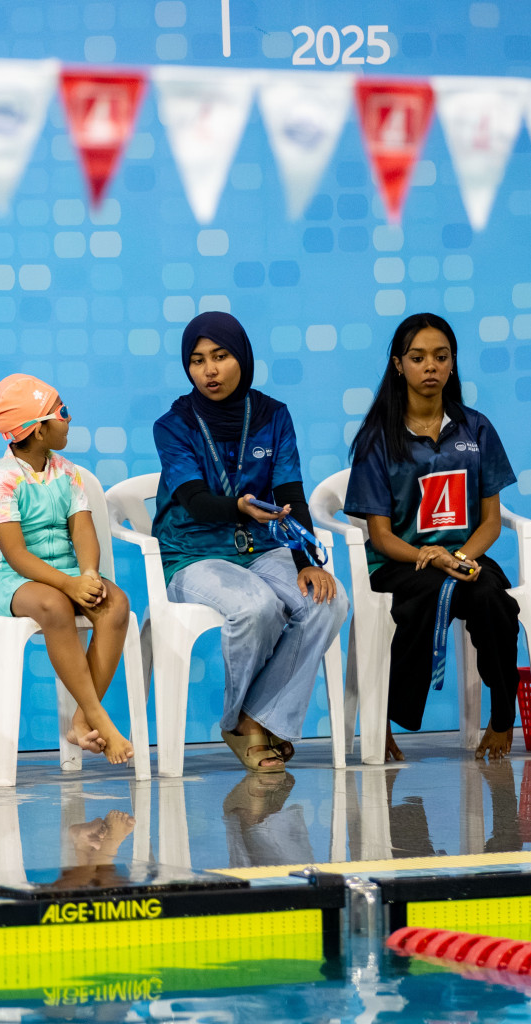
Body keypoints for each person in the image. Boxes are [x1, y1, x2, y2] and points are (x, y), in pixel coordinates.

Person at [152, 312, 348, 773]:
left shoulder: (271, 416)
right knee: (256, 606)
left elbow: (291, 493)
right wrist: (239, 507)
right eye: (197, 361)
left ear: (241, 357)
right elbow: (195, 500)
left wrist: (307, 559)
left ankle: (251, 719)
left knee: (327, 603)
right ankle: (249, 723)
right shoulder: (174, 424)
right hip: (192, 551)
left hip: (259, 546)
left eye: (220, 356)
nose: (210, 370)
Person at [344, 312, 520, 763]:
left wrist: (457, 556)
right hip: (399, 564)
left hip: (464, 554)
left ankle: (502, 717)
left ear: (453, 364)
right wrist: (432, 557)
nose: (431, 367)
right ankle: (383, 715)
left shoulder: (476, 428)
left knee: (492, 598)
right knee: (426, 594)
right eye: (418, 358)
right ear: (399, 365)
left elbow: (491, 522)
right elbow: (380, 536)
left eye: (441, 357)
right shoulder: (376, 440)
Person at [0, 373, 133, 764]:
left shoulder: (68, 472)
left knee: (115, 603)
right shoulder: (0, 480)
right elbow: (15, 555)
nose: (69, 417)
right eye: (61, 412)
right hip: (16, 581)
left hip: (68, 575)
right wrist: (68, 584)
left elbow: (83, 531)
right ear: (36, 430)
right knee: (54, 605)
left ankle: (83, 719)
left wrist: (89, 575)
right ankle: (99, 715)